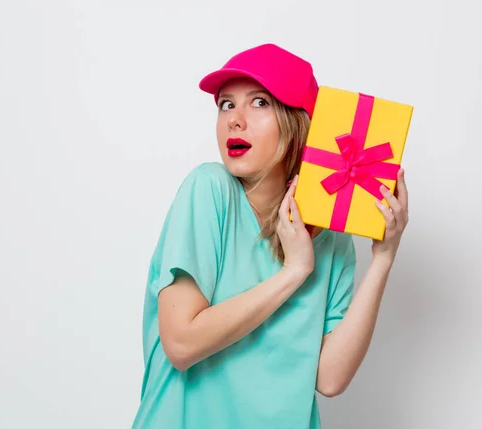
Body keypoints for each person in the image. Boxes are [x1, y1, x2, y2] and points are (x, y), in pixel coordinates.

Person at [131, 43, 409, 429]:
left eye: (259, 102)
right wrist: (293, 273)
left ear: (297, 123)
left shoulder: (332, 239)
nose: (235, 120)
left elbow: (330, 378)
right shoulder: (209, 190)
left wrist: (384, 258)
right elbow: (180, 343)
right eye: (226, 104)